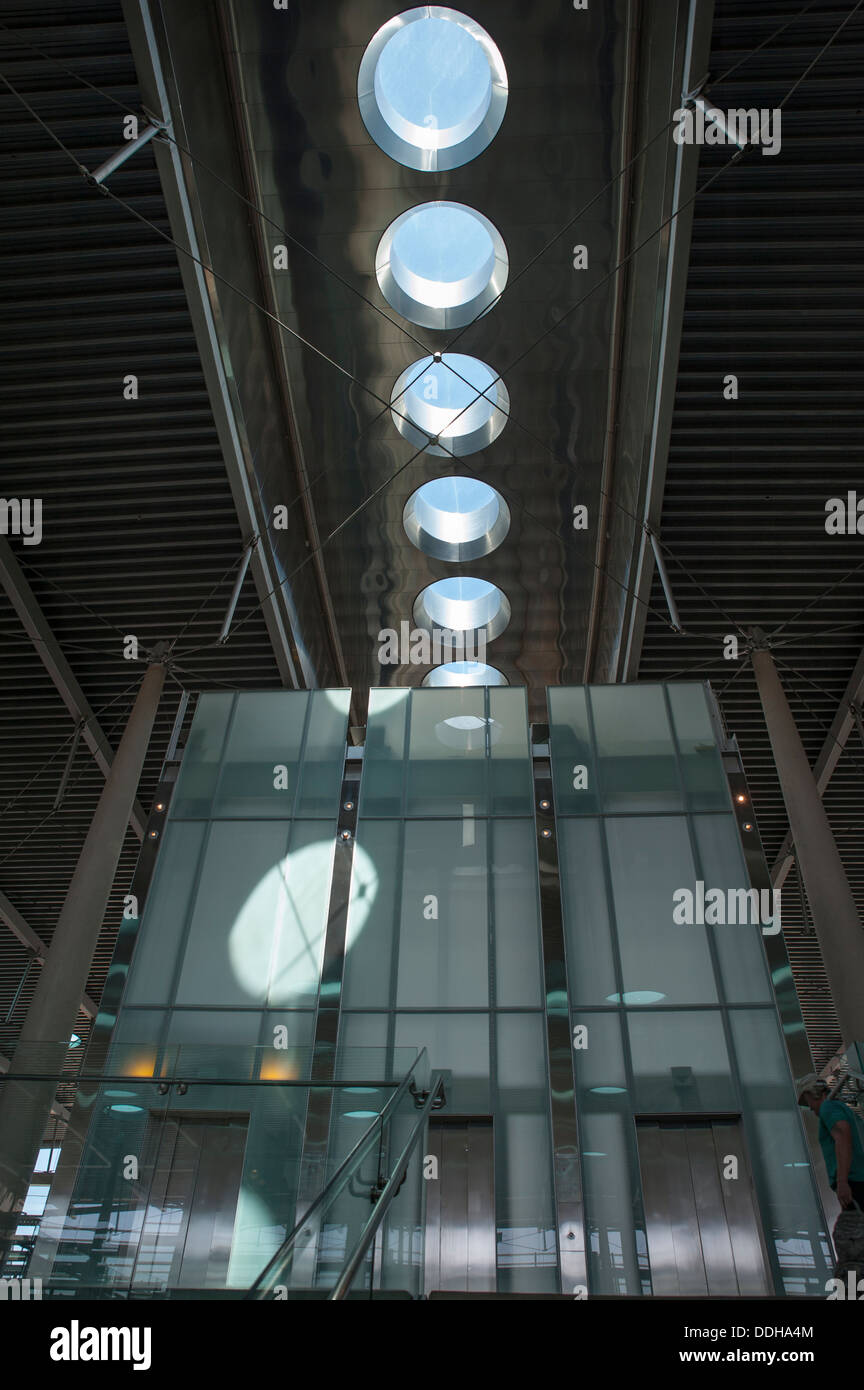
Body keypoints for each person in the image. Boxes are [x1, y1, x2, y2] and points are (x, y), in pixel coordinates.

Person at [797, 1075, 864, 1210]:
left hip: (854, 1183)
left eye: (807, 1101)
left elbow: (842, 1136)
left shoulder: (828, 1107)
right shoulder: (843, 1108)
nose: (809, 1107)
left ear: (813, 1093)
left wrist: (842, 1181)